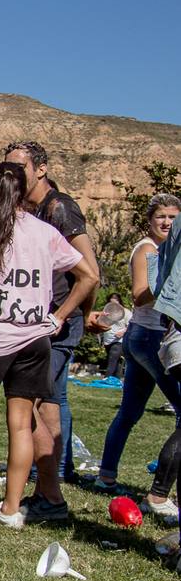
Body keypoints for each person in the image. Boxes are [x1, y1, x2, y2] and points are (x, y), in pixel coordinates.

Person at [0, 163, 96, 529]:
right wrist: (61, 315)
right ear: (25, 192)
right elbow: (89, 275)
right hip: (35, 339)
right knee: (20, 425)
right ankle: (11, 509)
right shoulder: (46, 231)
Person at [4, 140, 100, 516]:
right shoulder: (29, 209)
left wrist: (66, 316)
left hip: (54, 324)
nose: (13, 174)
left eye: (20, 167)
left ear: (41, 168)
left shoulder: (59, 209)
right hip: (40, 322)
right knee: (50, 401)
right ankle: (52, 482)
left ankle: (50, 490)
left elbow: (89, 272)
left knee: (38, 403)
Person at [95, 195, 181, 511]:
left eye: (173, 217)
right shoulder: (148, 249)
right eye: (161, 216)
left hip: (144, 339)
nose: (167, 223)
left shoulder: (171, 250)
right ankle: (160, 495)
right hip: (150, 339)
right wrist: (172, 288)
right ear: (149, 220)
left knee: (130, 411)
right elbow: (139, 293)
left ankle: (105, 476)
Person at [99, 293, 130, 380]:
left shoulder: (126, 312)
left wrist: (123, 332)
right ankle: (116, 379)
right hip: (108, 339)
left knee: (113, 358)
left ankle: (106, 378)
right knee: (115, 360)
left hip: (119, 340)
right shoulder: (107, 312)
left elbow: (131, 325)